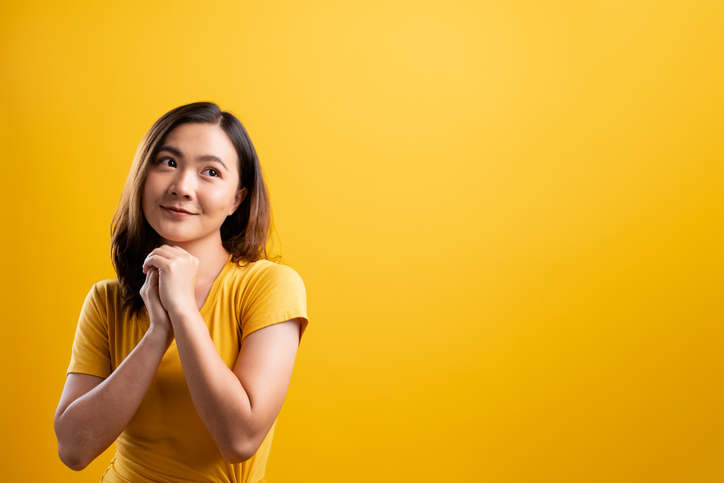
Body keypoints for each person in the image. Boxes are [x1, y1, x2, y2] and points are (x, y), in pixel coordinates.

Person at [54, 102, 308, 483]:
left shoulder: (270, 286)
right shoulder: (106, 300)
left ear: (236, 199)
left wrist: (183, 312)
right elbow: (73, 449)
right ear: (143, 176)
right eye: (168, 162)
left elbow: (240, 439)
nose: (182, 187)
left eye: (210, 172)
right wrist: (157, 333)